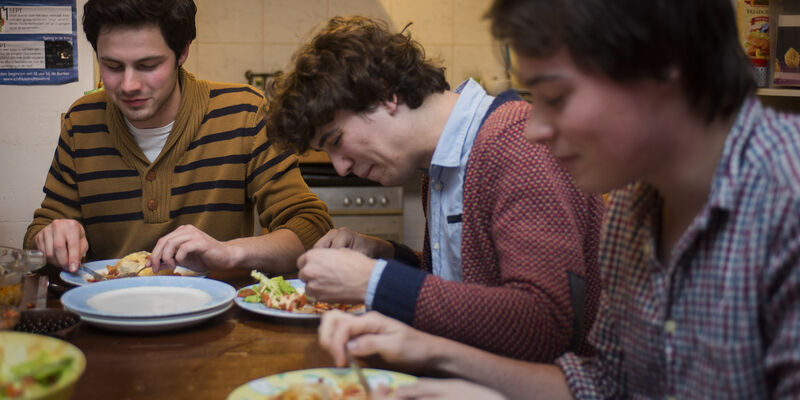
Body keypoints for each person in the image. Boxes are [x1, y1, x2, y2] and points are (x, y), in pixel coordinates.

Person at [317, 0, 800, 399]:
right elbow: (605, 385)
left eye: (556, 96)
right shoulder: (634, 208)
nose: (535, 128)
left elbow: (545, 324)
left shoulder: (786, 200)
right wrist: (434, 354)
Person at [266, 16, 604, 362]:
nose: (341, 167)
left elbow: (545, 326)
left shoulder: (516, 144)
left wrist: (375, 281)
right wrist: (383, 254)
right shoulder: (438, 166)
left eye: (336, 140)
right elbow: (467, 288)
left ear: (385, 95)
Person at [23, 0, 333, 276]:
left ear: (182, 51)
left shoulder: (245, 113)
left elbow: (309, 228)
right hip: (109, 321)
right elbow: (37, 240)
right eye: (113, 66)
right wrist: (51, 238)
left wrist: (230, 252)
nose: (128, 85)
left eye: (148, 65)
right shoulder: (82, 121)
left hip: (219, 324)